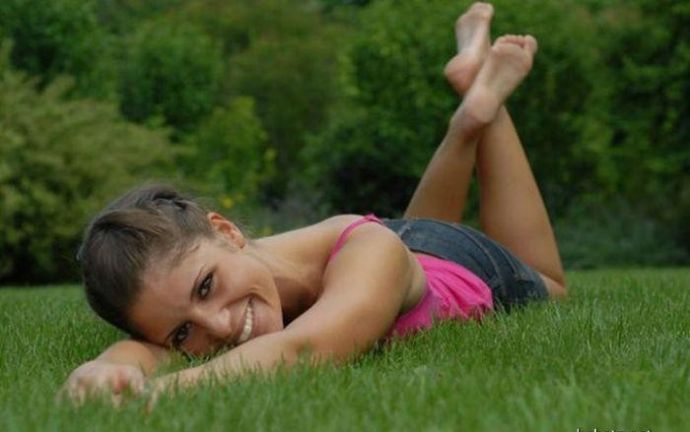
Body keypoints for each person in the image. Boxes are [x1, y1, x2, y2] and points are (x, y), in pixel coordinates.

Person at [61, 2, 566, 403]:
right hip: (401, 254)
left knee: (553, 286)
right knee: (405, 257)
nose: (218, 326)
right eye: (181, 333)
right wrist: (109, 369)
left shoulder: (372, 254)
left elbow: (304, 350)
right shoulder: (215, 275)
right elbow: (144, 352)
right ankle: (472, 101)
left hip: (454, 264)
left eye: (207, 286)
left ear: (227, 230)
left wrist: (160, 393)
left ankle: (483, 110)